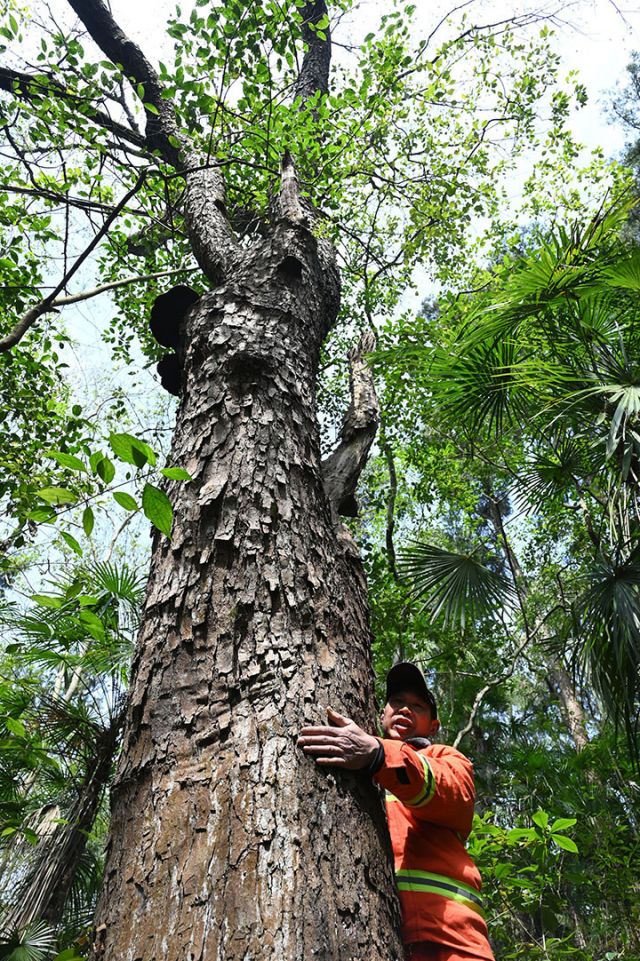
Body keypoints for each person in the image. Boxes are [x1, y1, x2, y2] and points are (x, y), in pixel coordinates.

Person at [297, 662, 495, 961]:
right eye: (398, 702)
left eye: (417, 706)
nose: (405, 709)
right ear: (381, 713)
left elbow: (453, 792)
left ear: (433, 726)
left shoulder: (444, 757)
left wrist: (377, 754)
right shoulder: (368, 773)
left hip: (450, 938)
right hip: (374, 933)